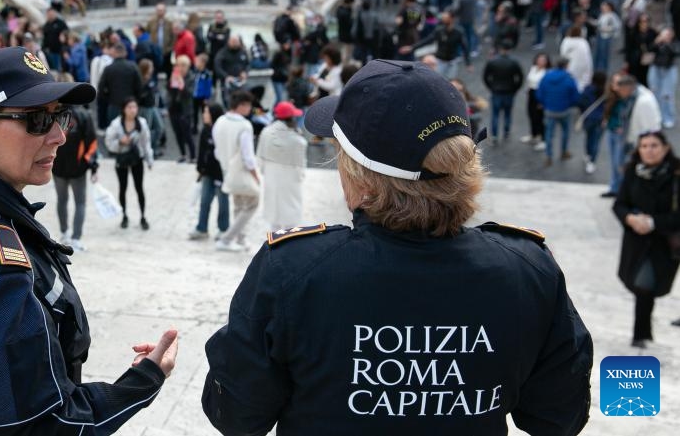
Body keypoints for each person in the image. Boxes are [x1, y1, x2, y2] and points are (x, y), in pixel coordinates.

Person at [203, 59, 593, 434]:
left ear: (359, 174)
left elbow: (237, 416)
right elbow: (559, 417)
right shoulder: (527, 270)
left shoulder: (292, 271)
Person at [0, 46, 177, 434]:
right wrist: (144, 381)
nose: (60, 136)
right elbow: (46, 424)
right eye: (37, 120)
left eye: (60, 115)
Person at [612, 130, 680, 348]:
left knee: (646, 285)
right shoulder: (633, 171)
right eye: (644, 146)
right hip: (637, 241)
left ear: (665, 148)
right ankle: (643, 334)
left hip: (665, 242)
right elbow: (619, 204)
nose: (649, 150)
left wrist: (652, 222)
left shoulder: (676, 174)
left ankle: (640, 335)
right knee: (642, 285)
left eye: (654, 145)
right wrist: (630, 218)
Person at [212, 90, 260, 252]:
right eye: (248, 105)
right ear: (241, 105)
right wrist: (256, 176)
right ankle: (228, 239)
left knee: (239, 204)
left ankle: (241, 238)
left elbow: (217, 150)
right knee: (253, 203)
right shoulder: (244, 125)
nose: (250, 109)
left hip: (226, 168)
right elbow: (248, 156)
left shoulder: (219, 121)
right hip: (241, 170)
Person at [52, 104, 99, 251]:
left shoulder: (54, 112)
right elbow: (92, 141)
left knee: (62, 200)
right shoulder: (84, 115)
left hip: (58, 166)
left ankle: (65, 234)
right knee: (80, 203)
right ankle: (75, 238)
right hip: (77, 168)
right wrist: (92, 165)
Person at [257, 101, 308, 232]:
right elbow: (300, 169)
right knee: (291, 213)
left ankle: (274, 244)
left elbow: (260, 160)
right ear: (291, 118)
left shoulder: (266, 133)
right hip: (290, 180)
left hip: (271, 176)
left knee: (274, 214)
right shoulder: (298, 141)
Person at [104, 98, 154, 230]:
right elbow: (108, 142)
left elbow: (146, 143)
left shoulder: (141, 124)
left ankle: (143, 216)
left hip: (137, 159)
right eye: (129, 107)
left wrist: (149, 160)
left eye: (134, 107)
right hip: (122, 159)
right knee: (123, 188)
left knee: (139, 188)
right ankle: (124, 216)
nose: (132, 110)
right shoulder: (116, 124)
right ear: (124, 109)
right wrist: (120, 142)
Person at [190, 103, 230, 240]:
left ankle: (224, 229)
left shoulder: (222, 131)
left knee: (223, 202)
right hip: (207, 173)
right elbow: (201, 152)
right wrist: (200, 169)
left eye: (206, 112)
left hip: (221, 173)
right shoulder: (205, 130)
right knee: (204, 201)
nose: (203, 115)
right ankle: (202, 228)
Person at [537, 58, 580, 167]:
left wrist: (545, 103)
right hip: (564, 110)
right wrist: (569, 104)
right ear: (566, 66)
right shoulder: (569, 79)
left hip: (550, 110)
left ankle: (548, 156)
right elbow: (575, 96)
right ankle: (563, 151)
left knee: (549, 134)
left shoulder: (547, 77)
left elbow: (540, 93)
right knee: (565, 132)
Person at [482, 40, 524, 145]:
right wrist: (515, 88)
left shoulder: (492, 61)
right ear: (510, 50)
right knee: (508, 113)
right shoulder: (514, 62)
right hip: (509, 91)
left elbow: (486, 76)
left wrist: (491, 87)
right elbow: (520, 77)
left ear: (500, 49)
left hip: (496, 91)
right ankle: (506, 131)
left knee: (495, 114)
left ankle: (495, 135)